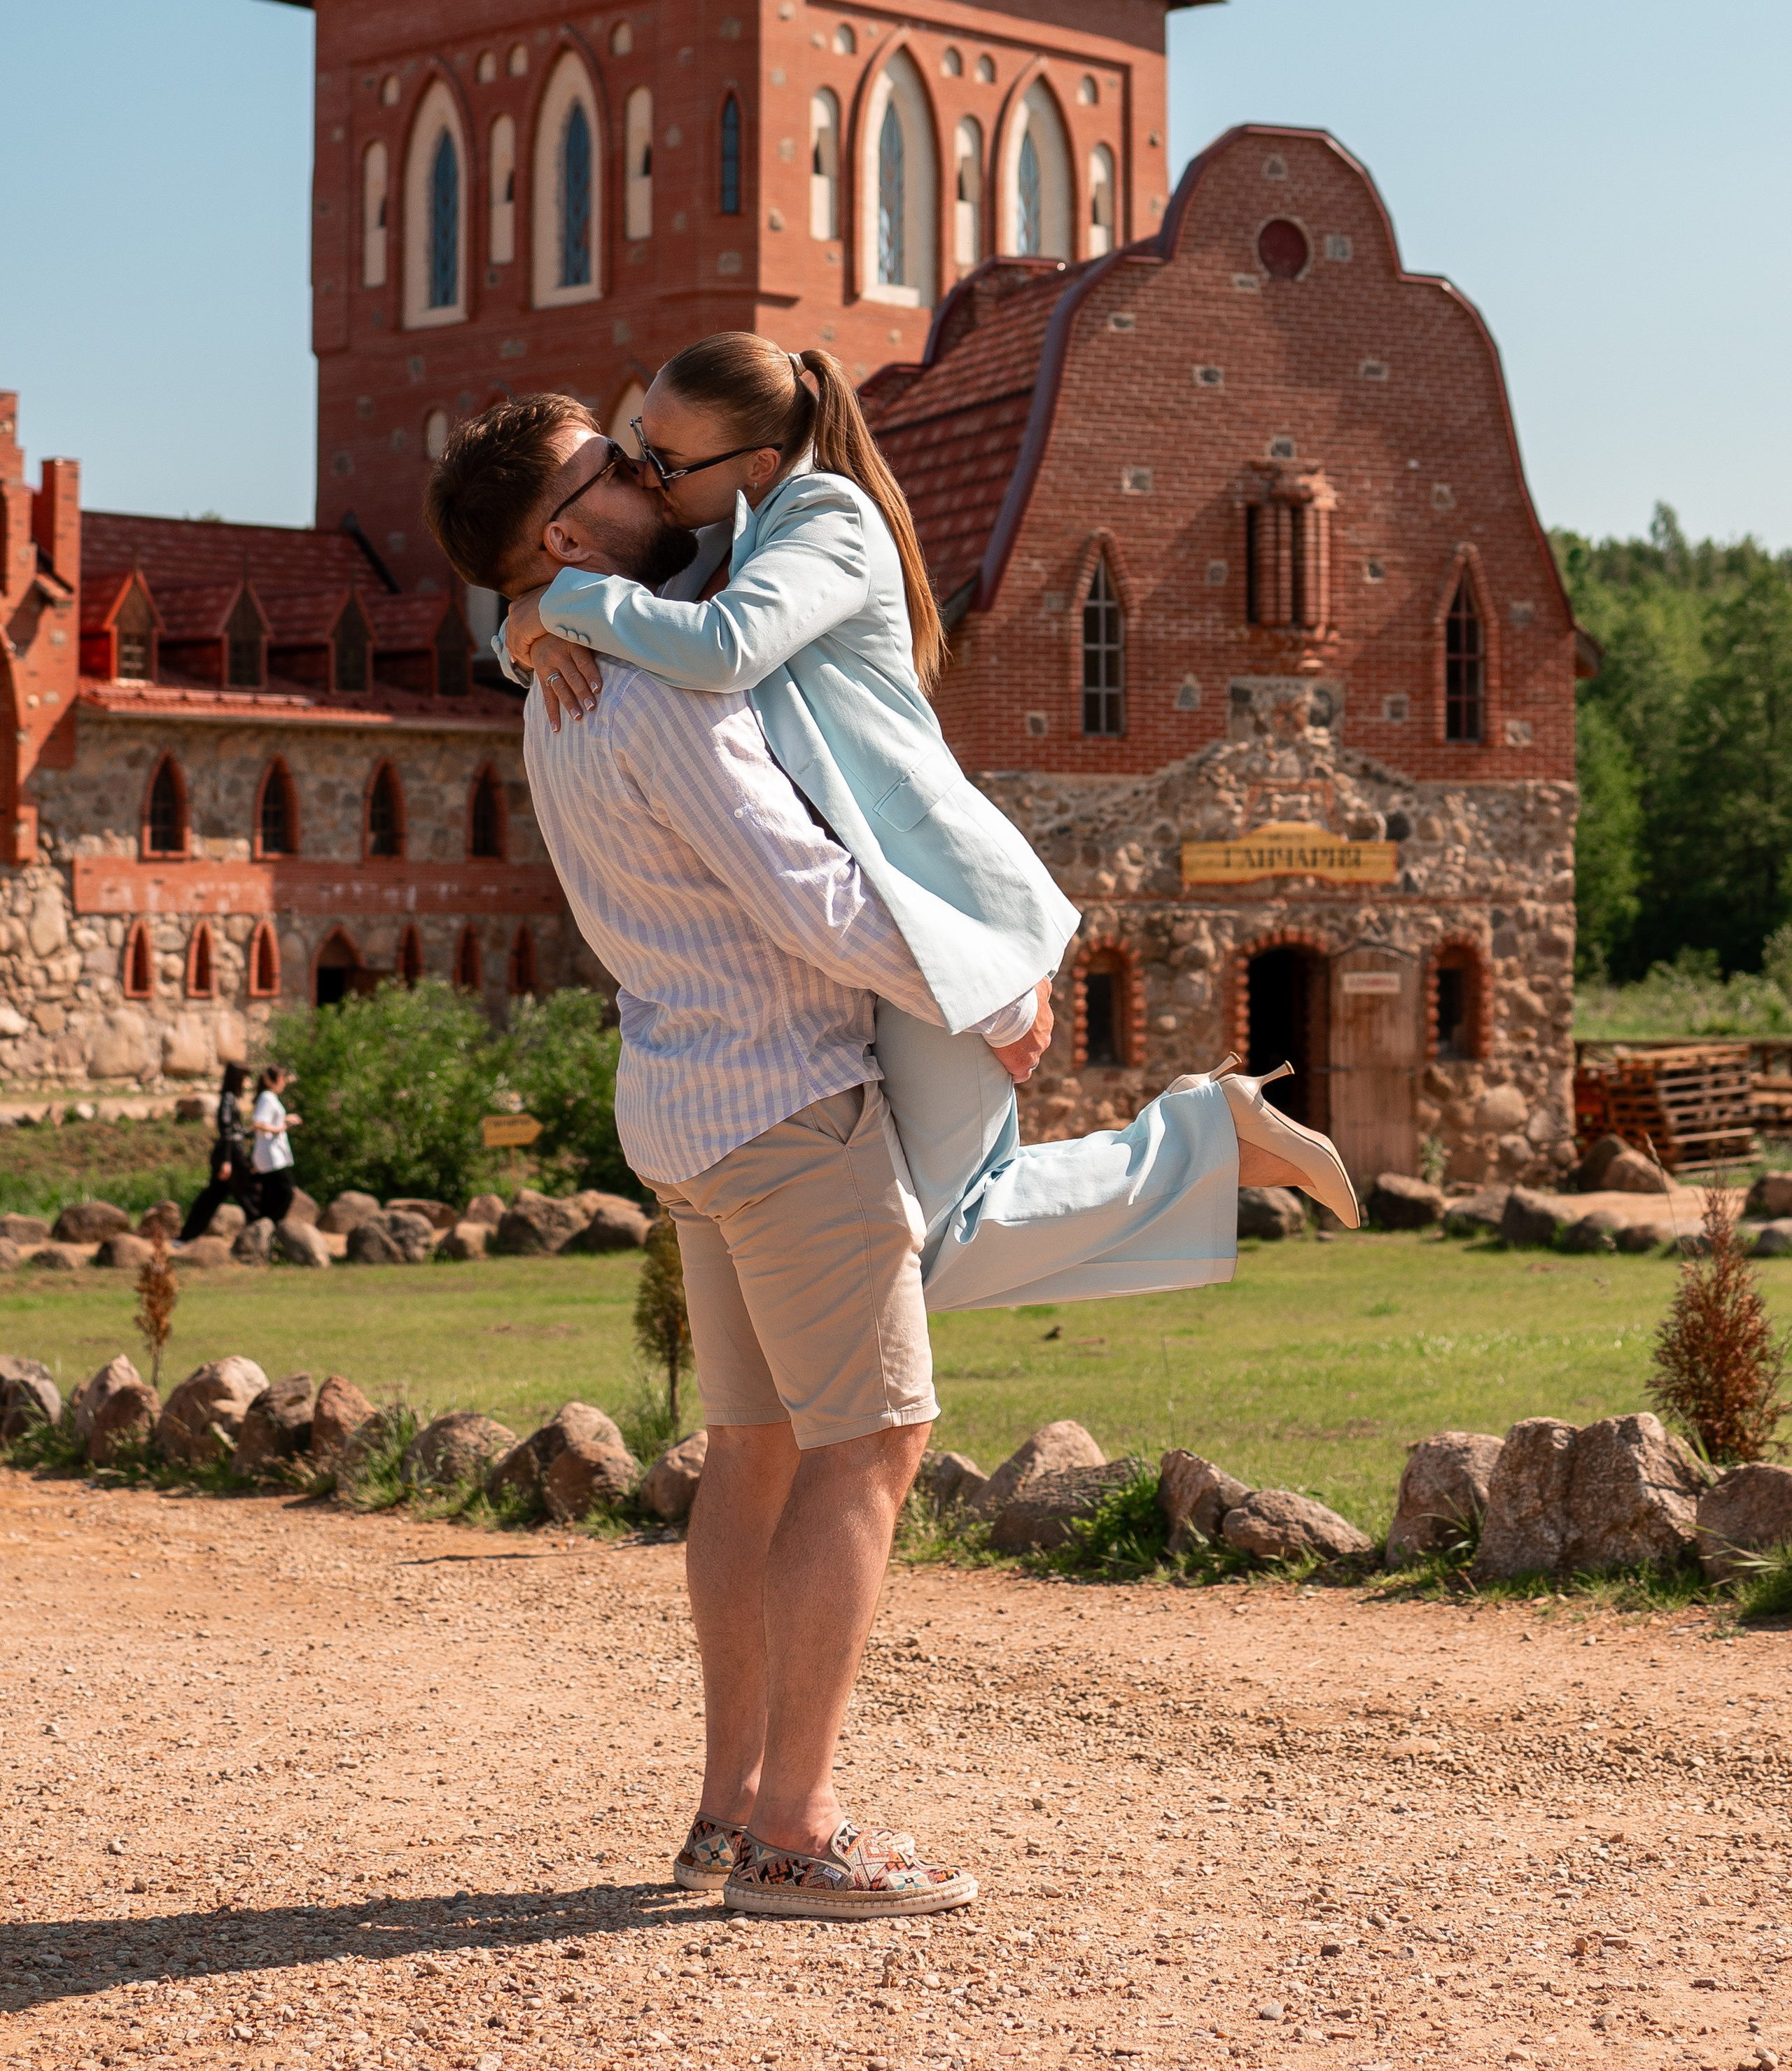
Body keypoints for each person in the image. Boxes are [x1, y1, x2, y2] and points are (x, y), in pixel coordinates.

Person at [422, 398, 1352, 1922]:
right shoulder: (652, 678)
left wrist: (527, 613)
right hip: (787, 1101)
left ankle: (729, 1814)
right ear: (570, 535)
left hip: (682, 1103)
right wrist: (978, 990)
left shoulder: (562, 678)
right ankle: (795, 1831)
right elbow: (804, 892)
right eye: (615, 464)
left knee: (758, 1453)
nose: (648, 471)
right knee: (871, 1446)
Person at [491, 340, 1357, 1295]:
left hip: (936, 904)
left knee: (944, 1234)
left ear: (757, 464)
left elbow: (724, 647)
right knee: (928, 1228)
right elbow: (626, 598)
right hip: (891, 911)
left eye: (663, 461)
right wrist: (523, 622)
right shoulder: (742, 525)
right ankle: (1214, 1138)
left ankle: (1214, 1134)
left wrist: (565, 600)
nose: (647, 479)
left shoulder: (825, 517)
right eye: (639, 450)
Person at [178, 1063, 254, 1241]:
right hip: (231, 1158)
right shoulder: (228, 1100)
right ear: (238, 1079)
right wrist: (227, 1162)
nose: (247, 1083)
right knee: (248, 1196)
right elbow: (227, 1132)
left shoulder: (231, 1100)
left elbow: (235, 1131)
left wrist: (255, 1131)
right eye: (245, 1078)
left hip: (231, 1156)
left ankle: (186, 1237)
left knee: (212, 1199)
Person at [248, 1066, 300, 1227]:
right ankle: (271, 1226)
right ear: (272, 1080)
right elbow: (257, 1123)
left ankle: (263, 1227)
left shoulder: (269, 1097)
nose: (283, 1082)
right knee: (286, 1192)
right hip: (271, 1156)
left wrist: (285, 1119)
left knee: (270, 1194)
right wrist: (282, 1127)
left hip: (271, 1155)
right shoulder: (267, 1097)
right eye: (281, 1078)